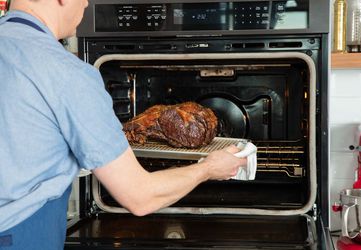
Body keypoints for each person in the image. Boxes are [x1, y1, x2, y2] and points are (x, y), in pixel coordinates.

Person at [0, 0, 247, 249]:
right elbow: (140, 196)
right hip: (19, 236)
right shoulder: (65, 73)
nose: (86, 3)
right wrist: (208, 168)